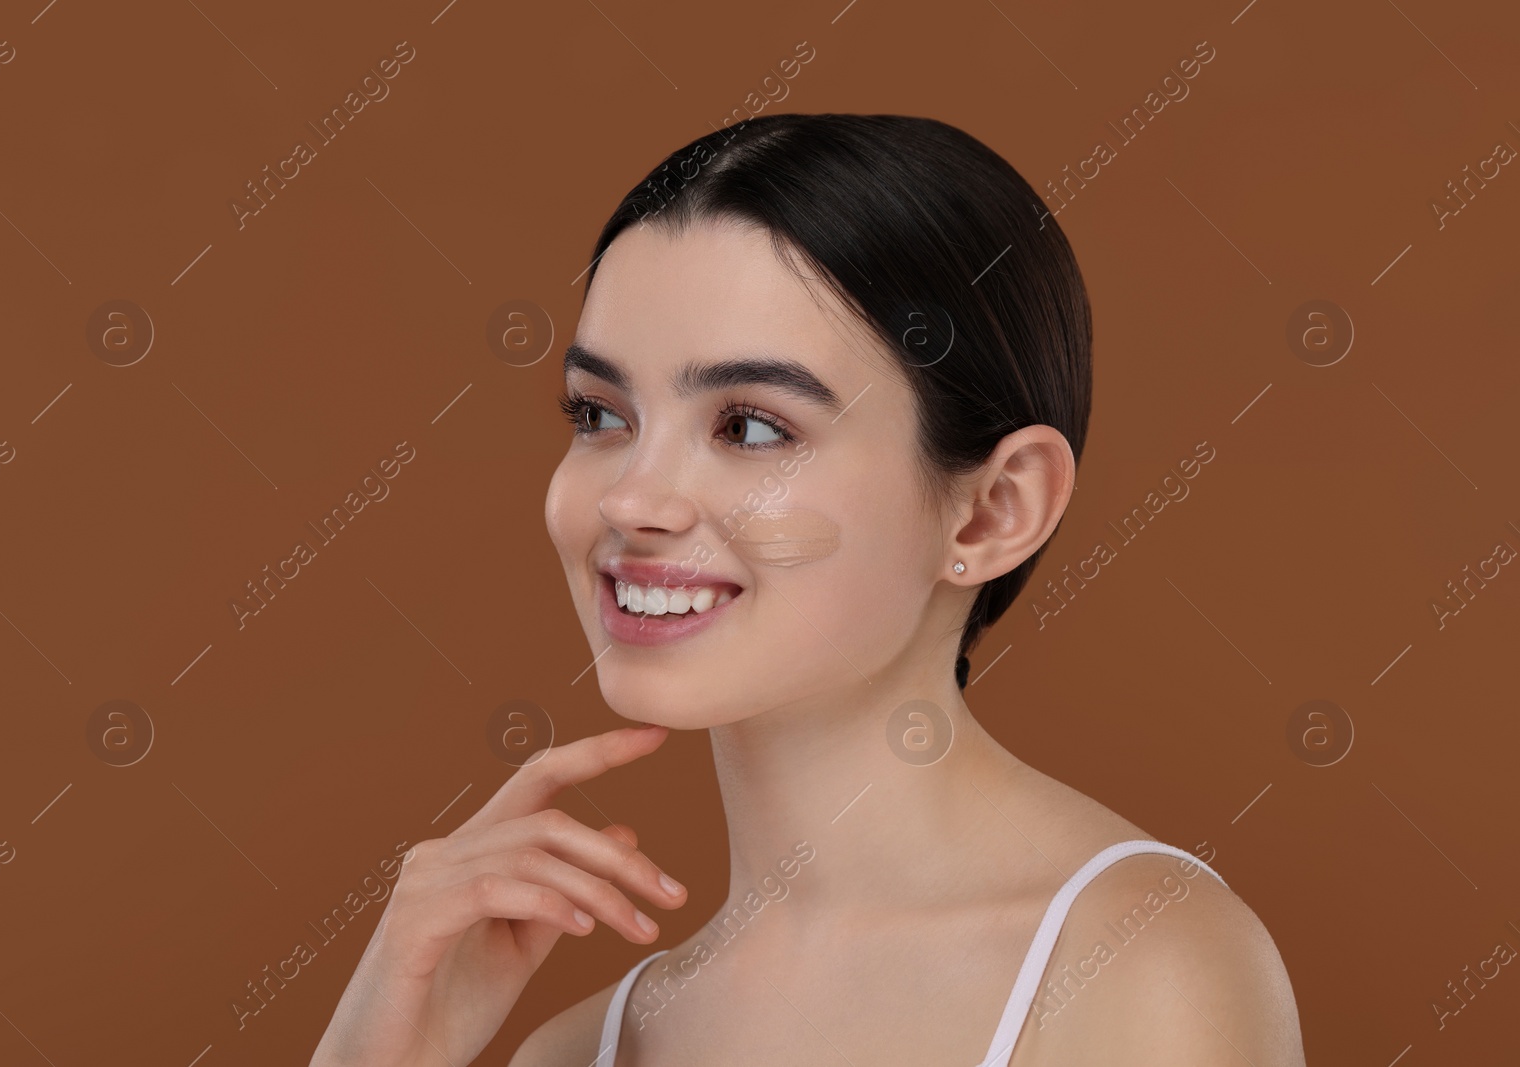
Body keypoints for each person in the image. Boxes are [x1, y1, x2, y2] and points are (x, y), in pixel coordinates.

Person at [309, 113, 1304, 1067]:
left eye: (749, 426)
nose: (633, 499)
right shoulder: (583, 1048)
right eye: (600, 412)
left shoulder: (1139, 959)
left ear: (993, 509)